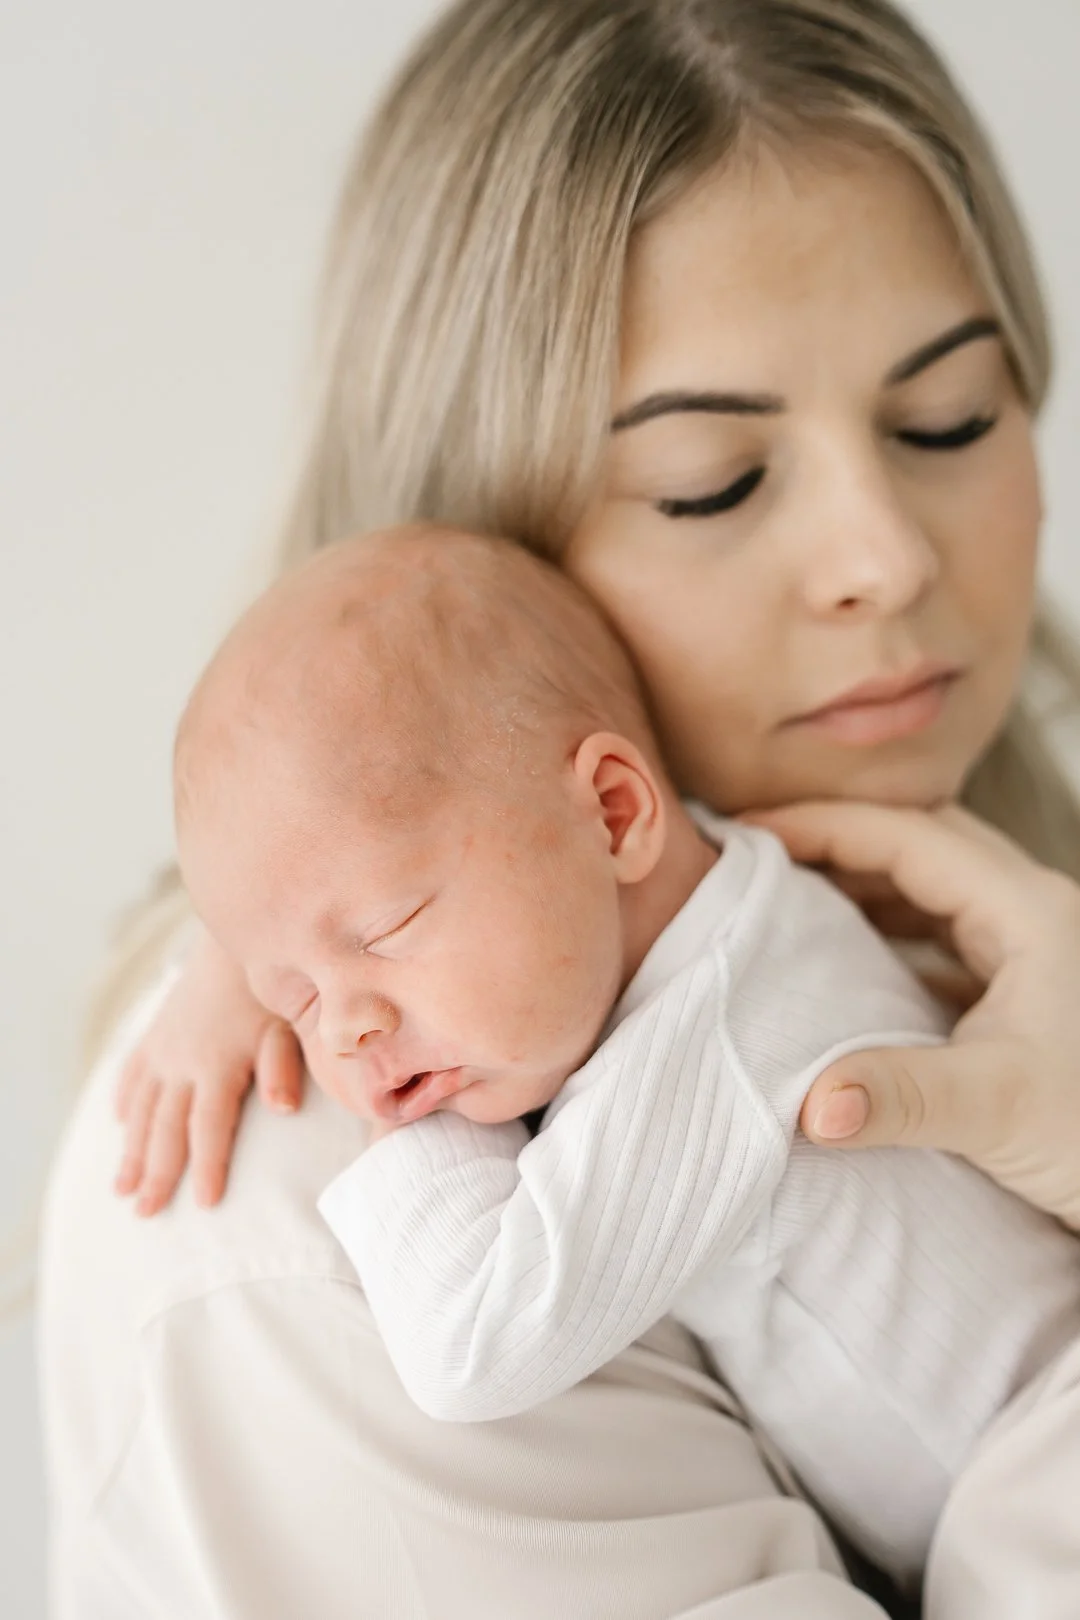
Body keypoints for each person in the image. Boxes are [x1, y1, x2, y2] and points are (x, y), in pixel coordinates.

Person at [37, 1, 1080, 1616]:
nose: (886, 555)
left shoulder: (989, 936)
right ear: (484, 535)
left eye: (946, 418)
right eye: (711, 484)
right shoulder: (309, 1214)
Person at [173, 519, 1079, 1597]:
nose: (341, 1030)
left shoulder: (720, 1035)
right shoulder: (698, 892)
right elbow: (353, 831)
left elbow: (475, 1344)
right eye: (297, 998)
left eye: (385, 930)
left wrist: (406, 1132)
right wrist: (233, 969)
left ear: (614, 812)